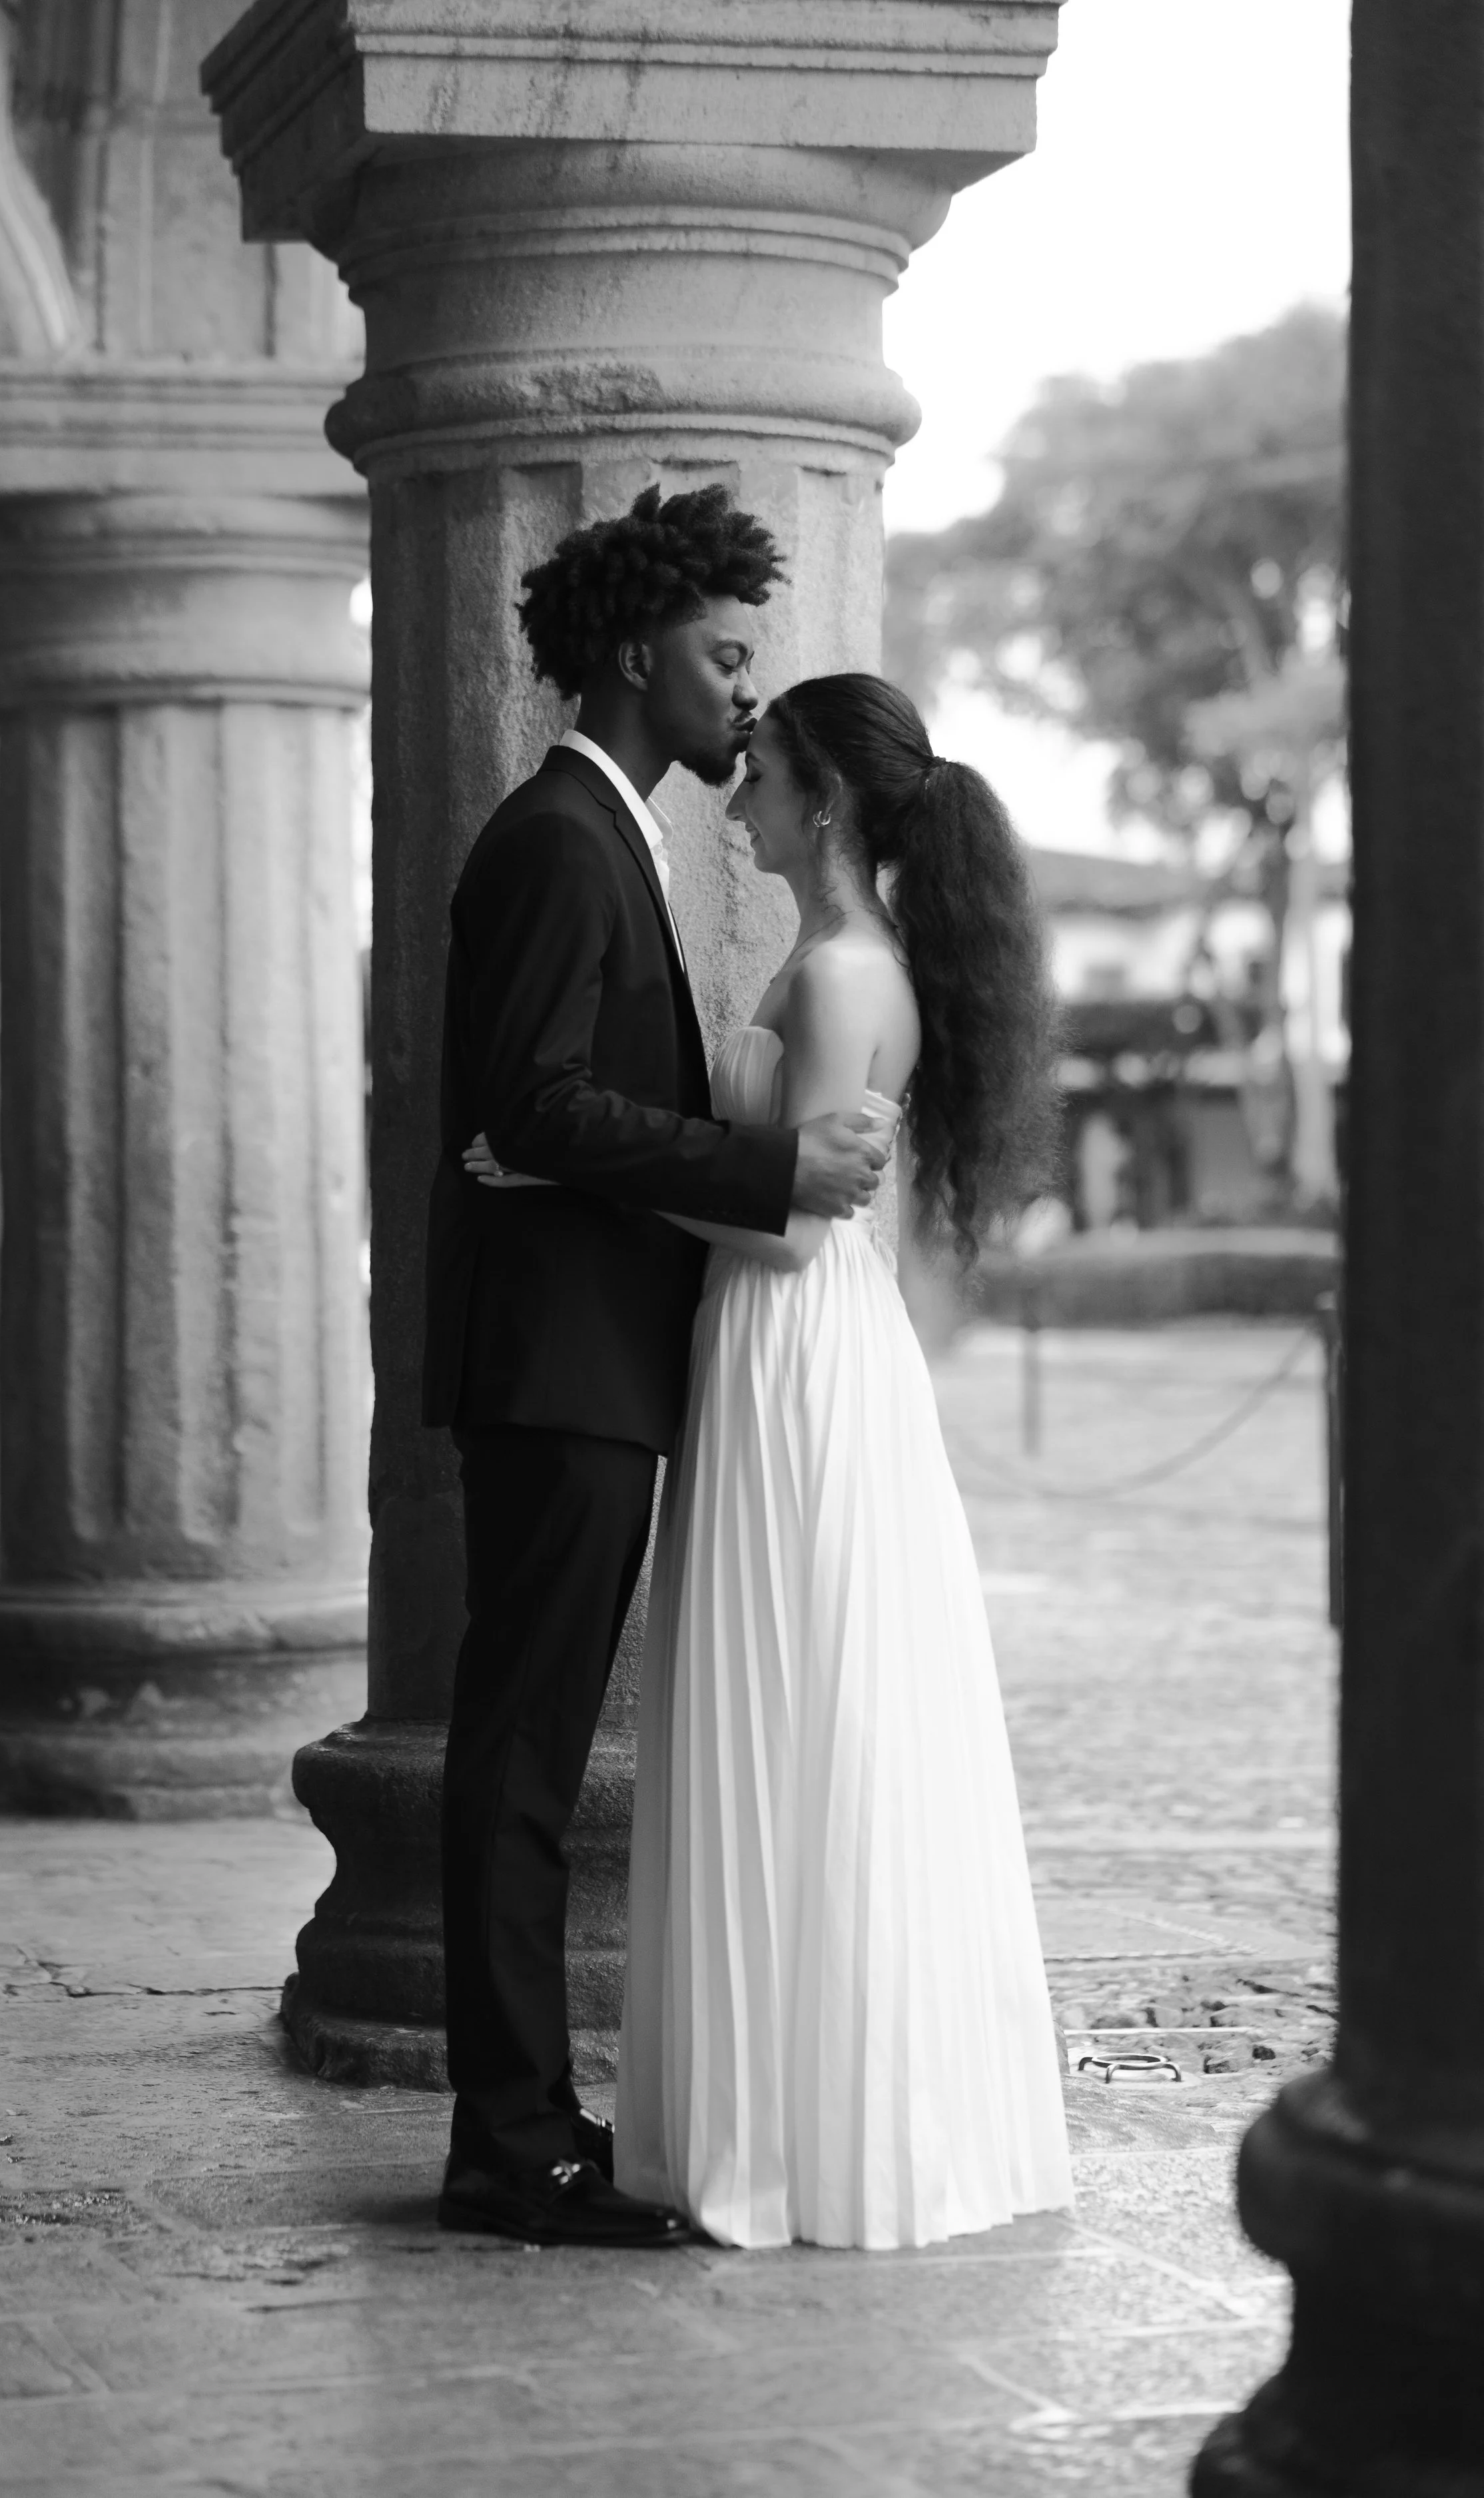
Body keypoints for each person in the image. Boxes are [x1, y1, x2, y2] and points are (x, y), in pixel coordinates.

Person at [476, 673, 1076, 2249]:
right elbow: (785, 1186)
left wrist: (570, 1168)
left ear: (825, 802)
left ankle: (803, 2128)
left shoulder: (838, 976)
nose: (736, 800)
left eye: (762, 777)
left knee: (793, 1703)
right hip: (783, 1347)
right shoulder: (838, 961)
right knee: (801, 1702)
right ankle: (800, 2106)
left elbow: (787, 1223)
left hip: (789, 1347)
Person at [422, 488, 889, 2250]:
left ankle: (528, 2121)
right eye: (723, 654)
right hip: (558, 1363)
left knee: (530, 1751)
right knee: (521, 1757)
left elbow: (545, 1118)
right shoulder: (559, 839)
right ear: (637, 654)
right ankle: (512, 2147)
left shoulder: (604, 833)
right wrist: (764, 1167)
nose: (746, 692)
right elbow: (535, 1099)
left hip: (589, 1353)